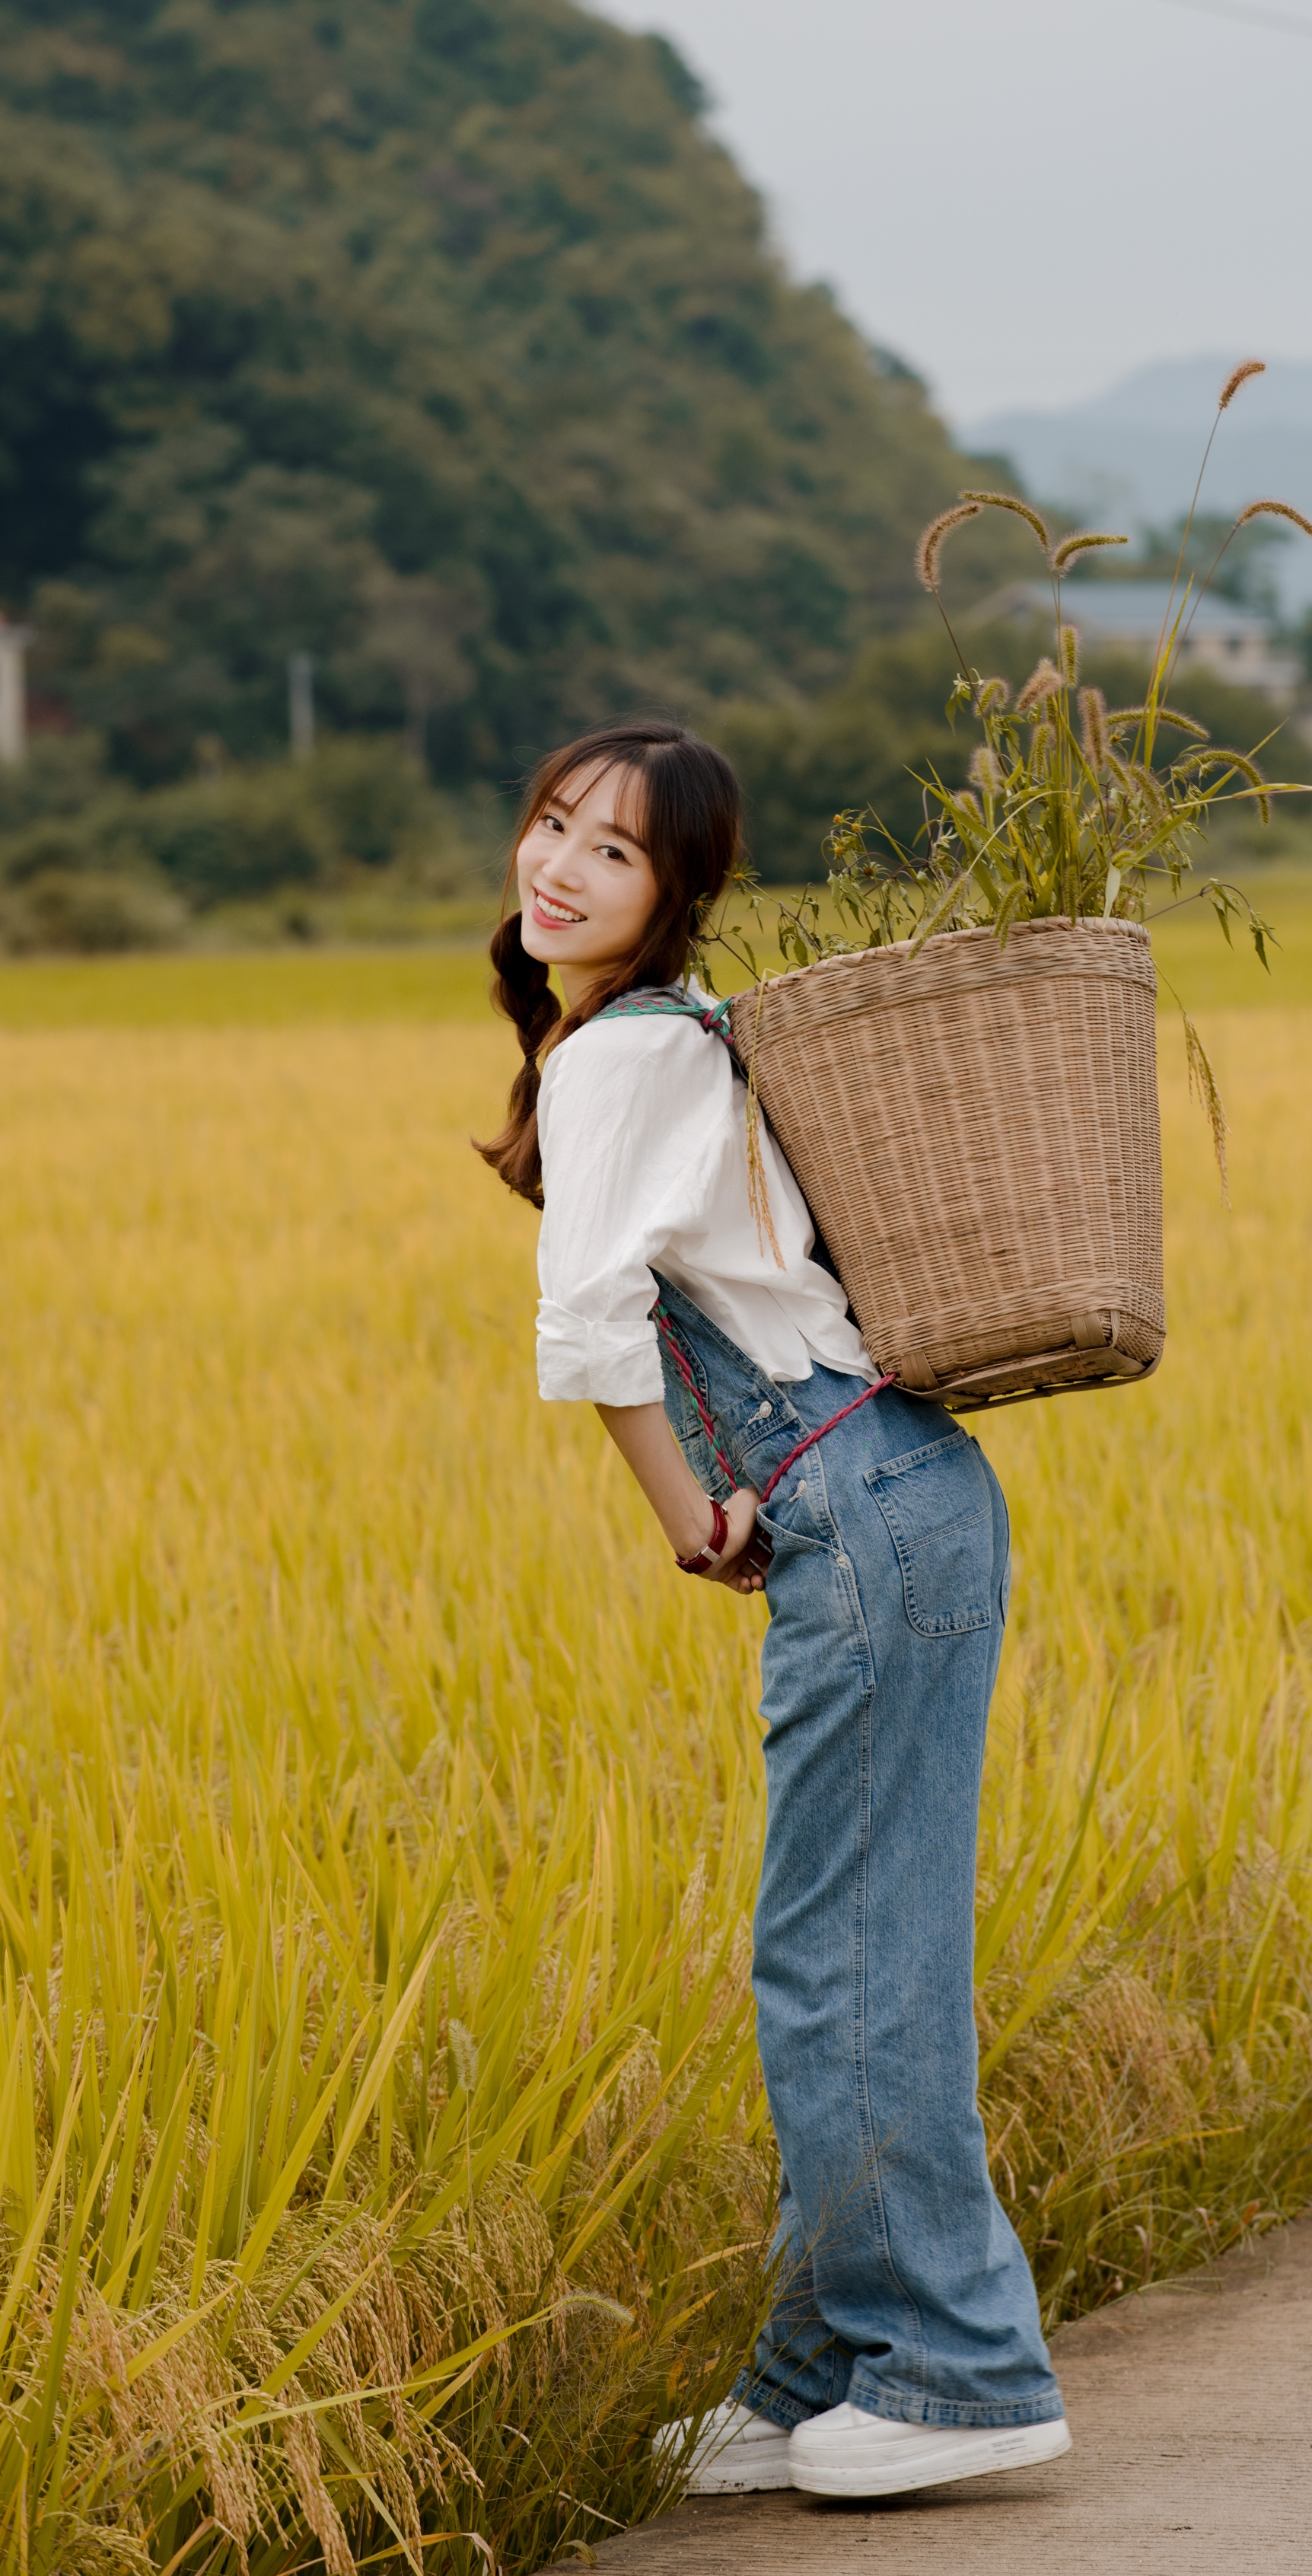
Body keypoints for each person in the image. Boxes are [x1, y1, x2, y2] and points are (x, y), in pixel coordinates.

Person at [477, 721, 1071, 2501]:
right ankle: (821, 2369)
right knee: (838, 1948)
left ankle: (962, 2373)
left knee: (848, 1959)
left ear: (677, 897)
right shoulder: (647, 1044)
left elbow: (588, 1325)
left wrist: (687, 1519)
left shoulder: (618, 1060)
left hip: (850, 1507)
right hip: (886, 1496)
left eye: (617, 852)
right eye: (553, 824)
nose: (563, 866)